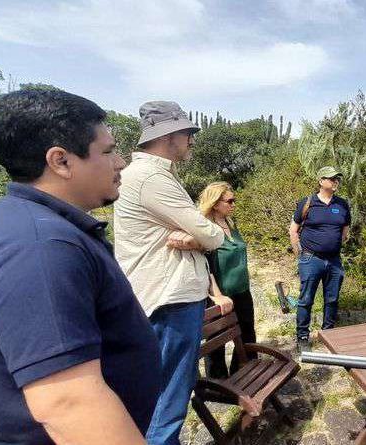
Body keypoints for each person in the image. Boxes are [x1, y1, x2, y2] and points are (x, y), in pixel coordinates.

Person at [0, 89, 162, 444]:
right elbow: (69, 403)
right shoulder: (39, 249)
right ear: (60, 161)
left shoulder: (37, 228)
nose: (120, 162)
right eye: (107, 151)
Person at [114, 101, 227, 445]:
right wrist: (203, 238)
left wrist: (196, 239)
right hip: (170, 300)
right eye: (189, 132)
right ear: (169, 134)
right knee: (169, 399)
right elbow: (214, 234)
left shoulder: (152, 175)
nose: (193, 139)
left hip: (166, 298)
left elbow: (201, 235)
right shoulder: (151, 178)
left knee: (164, 393)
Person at [193, 181, 256, 378]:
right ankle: (217, 382)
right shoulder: (206, 229)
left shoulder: (231, 224)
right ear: (214, 203)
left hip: (242, 290)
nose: (233, 204)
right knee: (216, 339)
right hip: (220, 295)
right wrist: (217, 295)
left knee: (247, 332)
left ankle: (244, 371)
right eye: (230, 201)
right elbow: (205, 265)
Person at [288, 166, 351, 352]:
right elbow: (293, 230)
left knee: (332, 299)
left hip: (334, 261)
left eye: (336, 179)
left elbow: (344, 232)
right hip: (311, 259)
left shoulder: (342, 204)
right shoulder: (307, 203)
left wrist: (332, 245)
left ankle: (328, 334)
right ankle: (302, 337)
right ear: (321, 181)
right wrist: (299, 255)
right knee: (306, 299)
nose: (335, 182)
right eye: (331, 179)